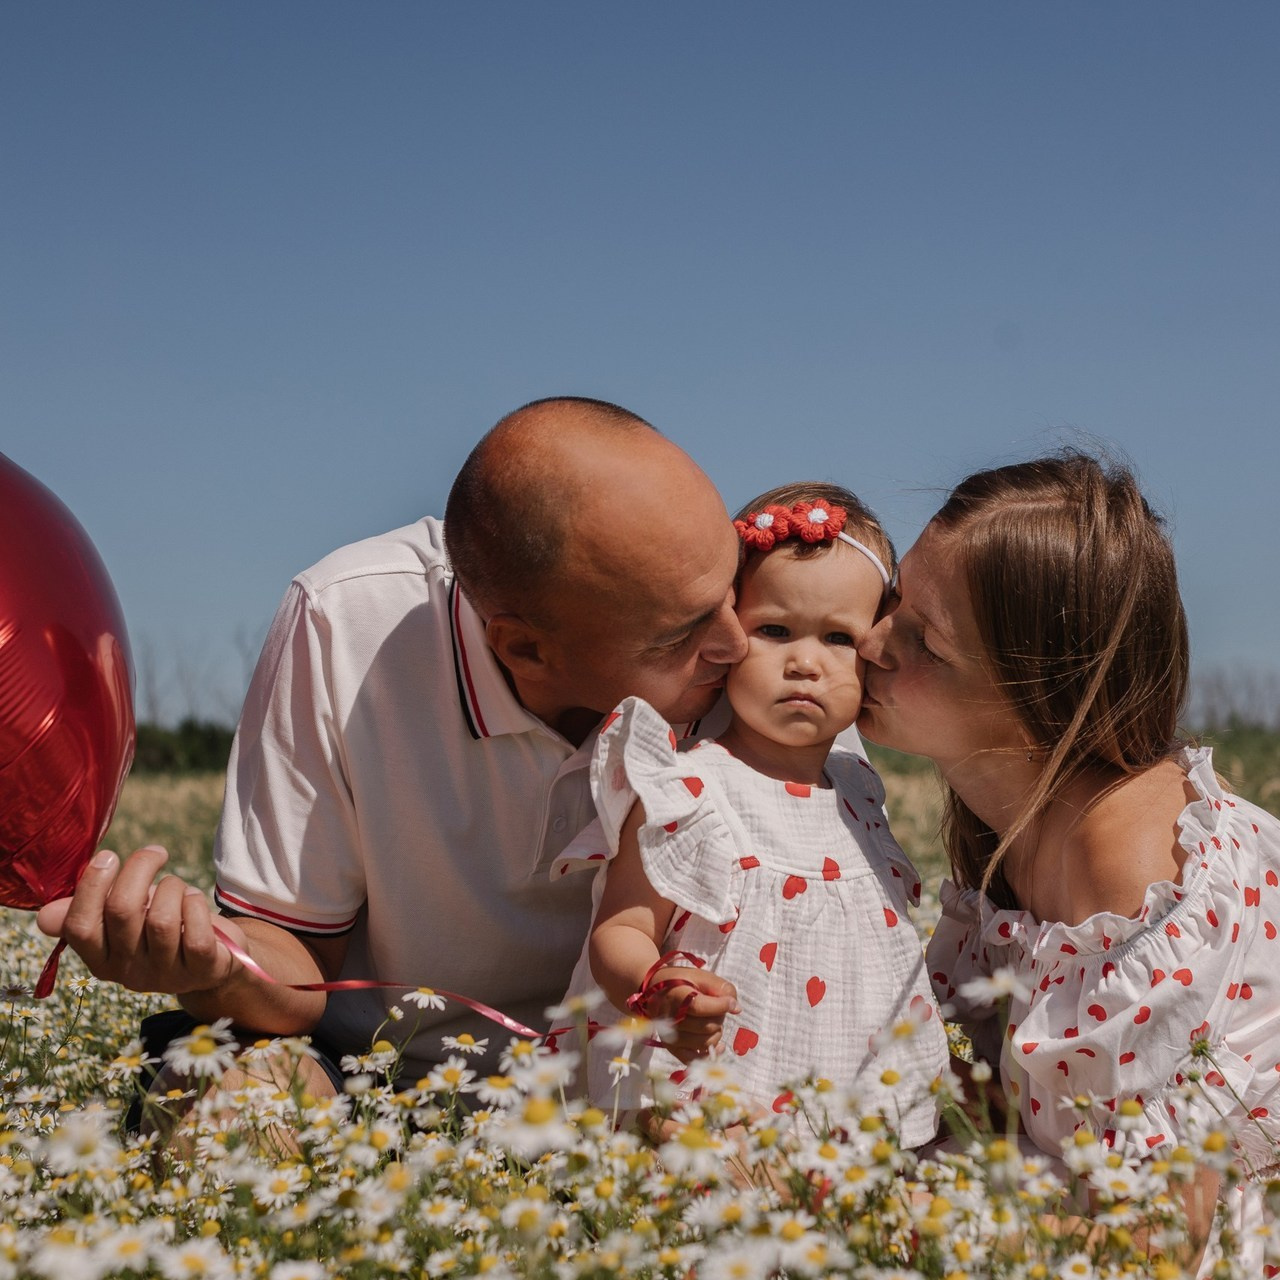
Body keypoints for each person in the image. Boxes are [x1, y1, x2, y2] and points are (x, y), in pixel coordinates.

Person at [36, 396, 749, 1096]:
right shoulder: (345, 624)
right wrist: (210, 967)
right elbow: (297, 971)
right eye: (679, 636)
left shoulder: (769, 636)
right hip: (372, 1077)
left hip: (650, 1084)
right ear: (525, 647)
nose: (739, 642)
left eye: (734, 586)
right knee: (240, 1114)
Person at [855, 449, 1280, 1272]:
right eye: (893, 600)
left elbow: (1159, 1241)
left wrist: (879, 1211)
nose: (870, 643)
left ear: (1036, 699)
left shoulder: (1130, 875)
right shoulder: (1017, 825)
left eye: (925, 643)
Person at [554, 483, 948, 1144]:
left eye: (838, 638)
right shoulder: (688, 788)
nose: (804, 662)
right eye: (774, 630)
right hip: (707, 1092)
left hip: (840, 1091)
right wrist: (659, 988)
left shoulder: (858, 789)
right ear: (727, 632)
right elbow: (619, 929)